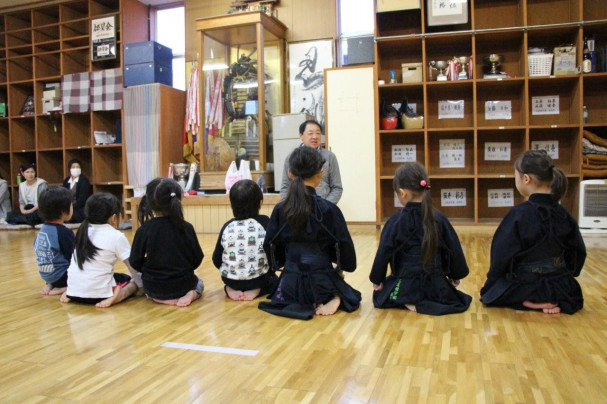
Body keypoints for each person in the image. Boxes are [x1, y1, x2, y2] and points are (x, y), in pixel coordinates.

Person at [259, 146, 361, 320]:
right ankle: (333, 295)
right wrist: (339, 268)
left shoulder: (280, 209)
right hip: (322, 279)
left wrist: (286, 263)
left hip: (289, 283)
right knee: (348, 292)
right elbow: (347, 256)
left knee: (285, 292)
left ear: (290, 173)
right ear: (320, 173)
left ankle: (316, 297)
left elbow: (270, 247)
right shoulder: (329, 209)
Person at [480, 150, 586, 314]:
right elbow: (578, 251)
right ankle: (551, 299)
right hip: (560, 286)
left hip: (526, 285)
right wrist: (566, 275)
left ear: (526, 179)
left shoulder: (519, 214)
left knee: (489, 293)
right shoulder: (563, 214)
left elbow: (501, 254)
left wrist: (493, 279)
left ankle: (530, 302)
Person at [369, 162, 472, 315]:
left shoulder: (395, 221)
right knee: (451, 295)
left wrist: (377, 280)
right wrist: (455, 276)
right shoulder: (439, 218)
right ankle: (427, 303)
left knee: (381, 295)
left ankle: (410, 301)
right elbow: (454, 249)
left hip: (406, 283)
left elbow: (384, 252)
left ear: (402, 193)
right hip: (436, 285)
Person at [130, 178, 204, 307]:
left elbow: (135, 260)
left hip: (154, 286)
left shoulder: (144, 229)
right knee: (199, 283)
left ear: (150, 202)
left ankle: (158, 298)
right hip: (184, 284)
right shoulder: (187, 227)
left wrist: (149, 268)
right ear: (178, 199)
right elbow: (197, 258)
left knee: (142, 285)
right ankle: (192, 294)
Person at [60, 193, 142, 308]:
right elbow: (132, 266)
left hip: (74, 292)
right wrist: (142, 285)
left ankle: (73, 291)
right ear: (114, 218)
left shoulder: (82, 232)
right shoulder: (116, 236)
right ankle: (119, 295)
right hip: (100, 295)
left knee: (120, 276)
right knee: (133, 282)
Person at [212, 179, 278, 301]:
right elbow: (274, 254)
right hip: (259, 279)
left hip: (231, 279)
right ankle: (259, 289)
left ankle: (229, 287)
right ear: (260, 203)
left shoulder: (227, 226)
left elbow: (216, 259)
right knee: (276, 281)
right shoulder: (265, 222)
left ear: (232, 205)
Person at [279, 119, 343, 204]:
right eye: (310, 133)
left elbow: (337, 187)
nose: (315, 137)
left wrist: (325, 206)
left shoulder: (330, 157)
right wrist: (292, 205)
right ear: (301, 135)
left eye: (318, 133)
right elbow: (284, 187)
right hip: (297, 210)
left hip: (324, 209)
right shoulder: (291, 157)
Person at [34, 187, 74, 296]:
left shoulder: (42, 231)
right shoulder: (63, 232)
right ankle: (65, 286)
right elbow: (73, 257)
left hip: (46, 274)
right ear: (63, 211)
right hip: (62, 276)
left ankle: (51, 283)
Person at [62, 158, 92, 223]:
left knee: (75, 216)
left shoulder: (84, 181)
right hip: (67, 207)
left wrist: (72, 207)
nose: (75, 169)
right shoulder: (66, 181)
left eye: (78, 167)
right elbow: (63, 196)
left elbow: (82, 200)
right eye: (73, 167)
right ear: (69, 169)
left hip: (79, 208)